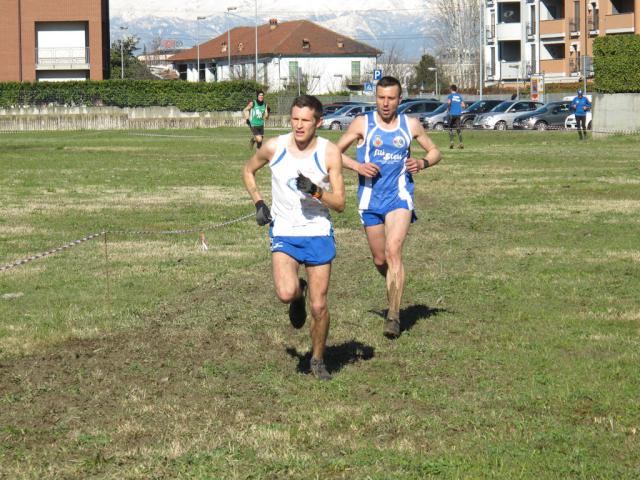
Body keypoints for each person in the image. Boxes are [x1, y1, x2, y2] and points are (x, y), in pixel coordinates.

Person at [242, 94, 345, 380]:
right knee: (286, 293)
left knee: (319, 305)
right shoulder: (275, 147)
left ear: (319, 122)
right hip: (285, 231)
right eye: (295, 119)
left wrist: (315, 191)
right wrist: (259, 203)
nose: (299, 126)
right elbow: (248, 171)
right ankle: (297, 295)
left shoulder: (329, 152)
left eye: (305, 120)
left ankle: (318, 359)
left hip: (317, 231)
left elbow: (340, 203)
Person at [336, 76, 442, 339]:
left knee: (393, 251)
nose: (385, 103)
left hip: (400, 196)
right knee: (380, 259)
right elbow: (333, 152)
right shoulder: (363, 123)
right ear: (376, 98)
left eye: (391, 98)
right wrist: (357, 166)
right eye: (381, 98)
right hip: (370, 200)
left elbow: (435, 151)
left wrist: (422, 162)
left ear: (399, 100)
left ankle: (394, 315)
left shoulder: (410, 124)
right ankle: (394, 283)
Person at [447, 84, 465, 149]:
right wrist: (459, 108)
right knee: (458, 128)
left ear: (451, 89)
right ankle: (461, 143)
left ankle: (451, 141)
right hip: (458, 114)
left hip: (452, 114)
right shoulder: (459, 96)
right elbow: (463, 105)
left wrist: (449, 109)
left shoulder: (450, 96)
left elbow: (449, 103)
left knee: (450, 128)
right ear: (456, 89)